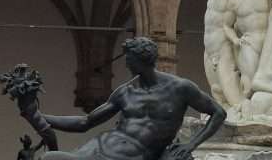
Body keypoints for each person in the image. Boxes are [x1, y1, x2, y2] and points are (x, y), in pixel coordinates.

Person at [13, 37, 226, 160]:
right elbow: (85, 123)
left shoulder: (180, 88)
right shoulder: (126, 91)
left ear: (143, 61)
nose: (126, 64)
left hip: (134, 155)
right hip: (101, 147)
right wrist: (38, 115)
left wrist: (191, 144)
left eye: (129, 60)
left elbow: (218, 113)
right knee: (50, 159)